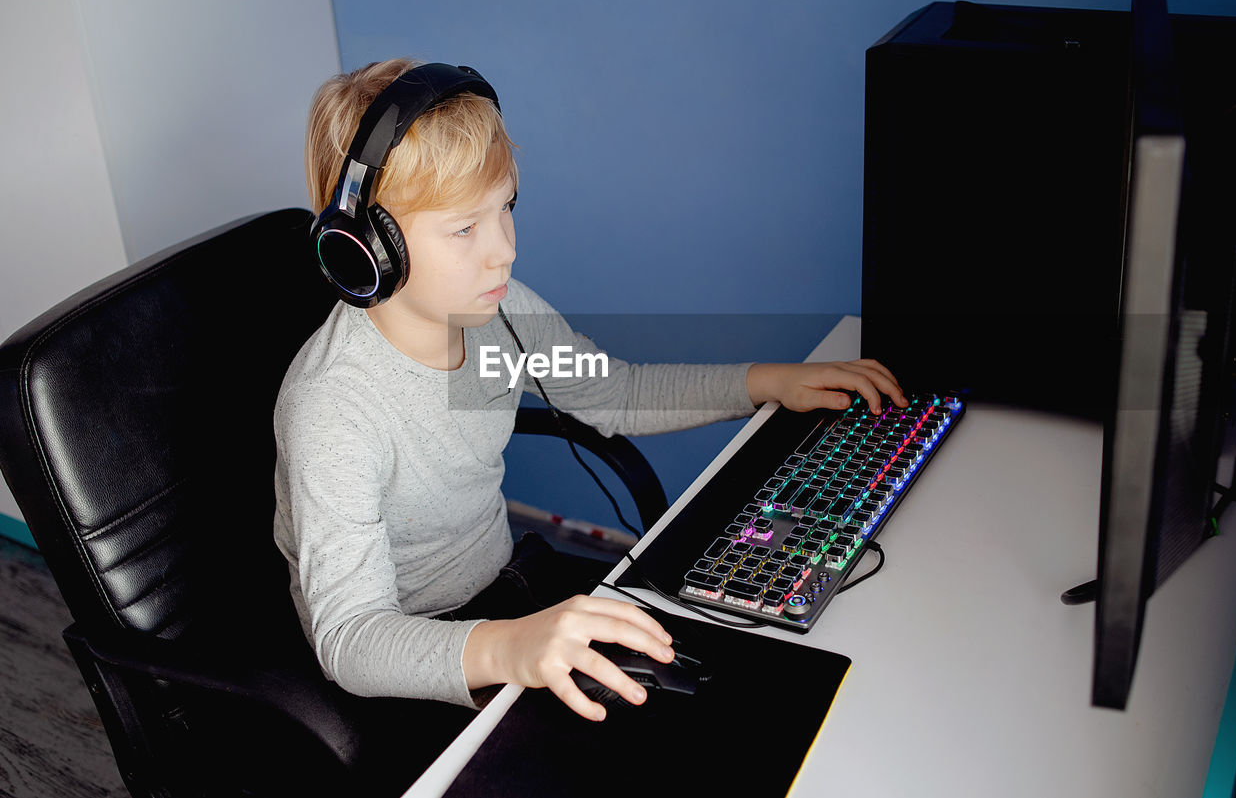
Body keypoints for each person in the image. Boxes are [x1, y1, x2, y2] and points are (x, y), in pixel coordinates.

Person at [273, 58, 907, 726]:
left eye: (506, 208)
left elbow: (613, 393)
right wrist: (512, 646)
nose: (504, 251)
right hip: (417, 654)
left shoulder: (496, 311)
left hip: (508, 588)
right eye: (465, 228)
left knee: (725, 678)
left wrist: (767, 381)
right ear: (366, 248)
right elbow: (351, 638)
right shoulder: (335, 406)